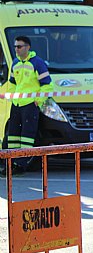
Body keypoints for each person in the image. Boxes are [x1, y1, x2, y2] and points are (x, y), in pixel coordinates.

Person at [1, 36, 52, 176]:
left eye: (19, 46)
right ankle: (11, 163)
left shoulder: (37, 63)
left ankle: (21, 165)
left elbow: (47, 84)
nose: (16, 49)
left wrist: (38, 100)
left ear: (28, 47)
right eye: (15, 46)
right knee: (13, 136)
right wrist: (12, 97)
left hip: (30, 104)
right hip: (17, 104)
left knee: (27, 136)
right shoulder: (15, 63)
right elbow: (12, 83)